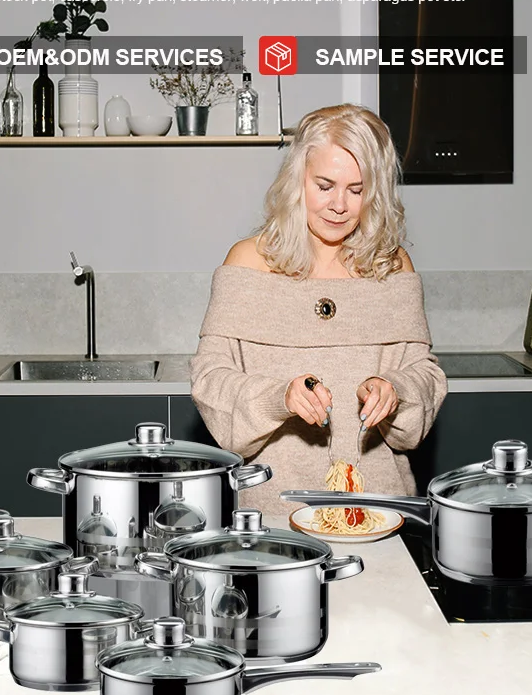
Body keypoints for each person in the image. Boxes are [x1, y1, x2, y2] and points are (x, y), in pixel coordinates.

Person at [190, 103, 448, 519]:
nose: (339, 205)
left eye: (356, 189)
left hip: (380, 508)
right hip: (270, 511)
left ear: (375, 193)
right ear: (297, 181)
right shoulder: (247, 262)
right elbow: (210, 381)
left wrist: (395, 390)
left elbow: (426, 375)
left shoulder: (393, 264)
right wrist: (280, 397)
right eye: (324, 185)